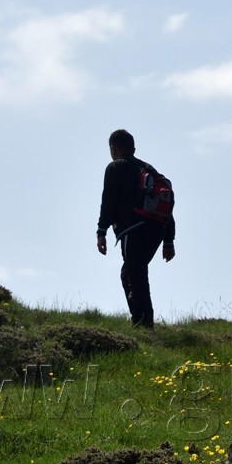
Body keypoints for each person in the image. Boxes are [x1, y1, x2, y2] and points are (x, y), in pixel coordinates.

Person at [96, 129, 175, 328]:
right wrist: (168, 240)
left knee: (135, 275)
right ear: (133, 148)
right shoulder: (149, 169)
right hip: (157, 228)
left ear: (113, 149)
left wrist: (101, 231)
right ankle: (141, 321)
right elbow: (166, 203)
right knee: (131, 272)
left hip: (133, 228)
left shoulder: (116, 167)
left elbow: (109, 200)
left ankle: (144, 324)